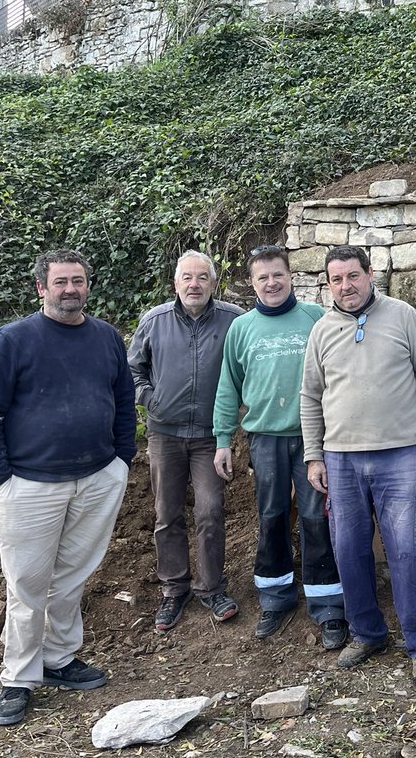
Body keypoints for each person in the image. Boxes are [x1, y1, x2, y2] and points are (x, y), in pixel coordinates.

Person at [0, 249, 136, 727]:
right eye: (60, 282)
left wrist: (121, 459)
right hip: (29, 484)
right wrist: (0, 475)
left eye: (77, 281)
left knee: (72, 576)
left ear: (88, 285)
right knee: (27, 584)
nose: (70, 290)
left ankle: (59, 658)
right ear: (41, 287)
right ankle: (19, 677)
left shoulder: (106, 337)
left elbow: (124, 399)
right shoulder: (13, 340)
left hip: (97, 478)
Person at [300, 245, 416, 687]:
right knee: (348, 551)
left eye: (353, 276)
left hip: (398, 454)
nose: (345, 286)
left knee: (408, 552)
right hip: (340, 458)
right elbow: (310, 395)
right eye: (336, 279)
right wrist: (314, 454)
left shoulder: (403, 316)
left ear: (370, 273)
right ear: (328, 284)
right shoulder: (322, 331)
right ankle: (367, 633)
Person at [212, 245, 347, 649]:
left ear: (290, 276)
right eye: (263, 277)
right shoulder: (242, 328)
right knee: (271, 514)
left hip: (313, 437)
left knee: (316, 516)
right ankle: (275, 597)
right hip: (264, 438)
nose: (271, 283)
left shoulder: (315, 318)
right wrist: (222, 439)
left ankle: (328, 604)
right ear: (252, 283)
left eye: (278, 275)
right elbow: (228, 386)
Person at [127, 250, 244, 633]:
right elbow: (132, 370)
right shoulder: (155, 321)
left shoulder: (233, 319)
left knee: (210, 511)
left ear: (214, 283)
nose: (195, 284)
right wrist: (152, 399)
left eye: (202, 277)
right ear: (175, 283)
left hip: (212, 436)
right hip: (165, 434)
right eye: (187, 278)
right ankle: (174, 590)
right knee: (167, 513)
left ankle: (211, 588)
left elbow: (249, 366)